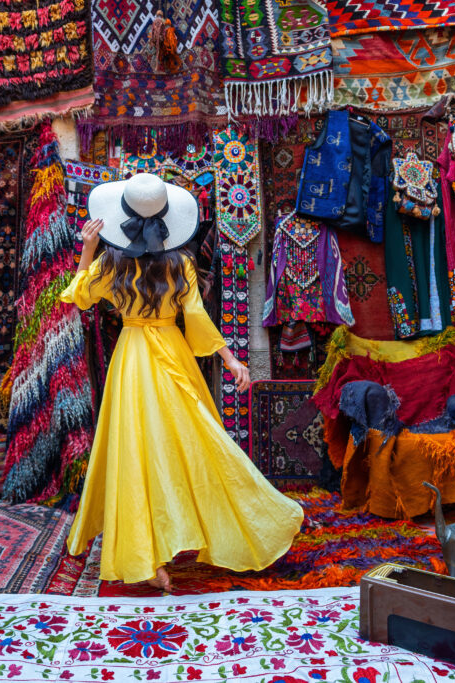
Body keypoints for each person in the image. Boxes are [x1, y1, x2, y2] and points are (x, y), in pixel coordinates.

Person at [61, 173, 304, 592]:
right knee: (196, 441)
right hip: (172, 354)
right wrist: (230, 360)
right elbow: (196, 317)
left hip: (133, 359)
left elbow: (79, 296)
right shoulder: (182, 263)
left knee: (137, 452)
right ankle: (253, 521)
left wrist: (87, 248)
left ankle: (149, 555)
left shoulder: (109, 262)